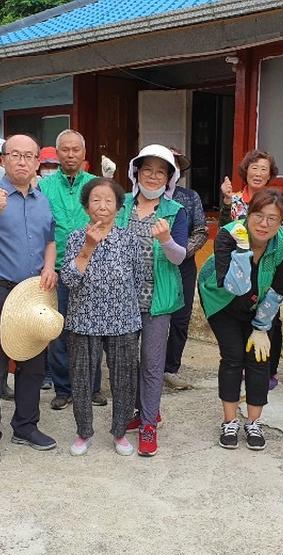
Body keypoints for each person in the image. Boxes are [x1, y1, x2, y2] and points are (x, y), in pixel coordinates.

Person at [0, 134, 59, 464]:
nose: (22, 161)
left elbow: (50, 239)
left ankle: (25, 425)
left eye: (29, 156)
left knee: (33, 363)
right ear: (4, 159)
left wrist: (50, 267)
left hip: (34, 291)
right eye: (15, 155)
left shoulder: (42, 198)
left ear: (38, 162)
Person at [198, 188, 283, 450]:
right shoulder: (228, 235)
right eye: (259, 215)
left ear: (282, 222)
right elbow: (233, 286)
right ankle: (229, 421)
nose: (264, 224)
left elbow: (278, 291)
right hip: (222, 299)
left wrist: (261, 328)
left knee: (259, 357)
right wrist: (243, 250)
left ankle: (253, 423)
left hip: (261, 303)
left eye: (273, 219)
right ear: (248, 214)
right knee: (232, 356)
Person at [61, 178, 145, 457]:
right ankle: (83, 432)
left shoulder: (129, 239)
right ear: (86, 207)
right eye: (96, 200)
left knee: (124, 378)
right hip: (84, 319)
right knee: (82, 378)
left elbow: (140, 278)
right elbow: (69, 280)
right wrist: (88, 247)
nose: (103, 206)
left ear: (119, 207)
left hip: (123, 320)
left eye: (109, 200)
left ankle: (120, 432)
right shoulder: (75, 237)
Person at [116, 144, 187, 456]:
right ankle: (140, 411)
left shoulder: (175, 211)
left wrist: (166, 240)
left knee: (152, 364)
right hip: (122, 299)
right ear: (136, 172)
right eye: (148, 170)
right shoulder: (121, 206)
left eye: (161, 172)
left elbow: (180, 256)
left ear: (170, 178)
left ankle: (148, 426)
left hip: (157, 300)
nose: (154, 176)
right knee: (125, 362)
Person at [38, 130, 103, 410]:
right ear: (57, 152)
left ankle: (93, 387)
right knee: (59, 330)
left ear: (84, 153)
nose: (70, 154)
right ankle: (63, 388)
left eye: (76, 149)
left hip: (93, 266)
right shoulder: (44, 187)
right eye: (65, 149)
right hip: (57, 268)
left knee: (93, 329)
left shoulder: (97, 185)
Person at [216, 149, 283, 390]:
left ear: (270, 175)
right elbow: (225, 230)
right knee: (241, 316)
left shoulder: (276, 202)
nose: (258, 173)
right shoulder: (234, 199)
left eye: (263, 169)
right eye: (254, 168)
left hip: (268, 267)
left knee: (272, 320)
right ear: (245, 171)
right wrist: (226, 202)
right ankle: (244, 365)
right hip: (239, 266)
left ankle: (268, 369)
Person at [162, 148, 209, 391]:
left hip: (184, 265)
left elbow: (201, 231)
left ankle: (171, 368)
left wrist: (180, 251)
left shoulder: (190, 197)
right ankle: (146, 367)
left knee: (180, 318)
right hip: (153, 265)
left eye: (175, 165)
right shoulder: (143, 198)